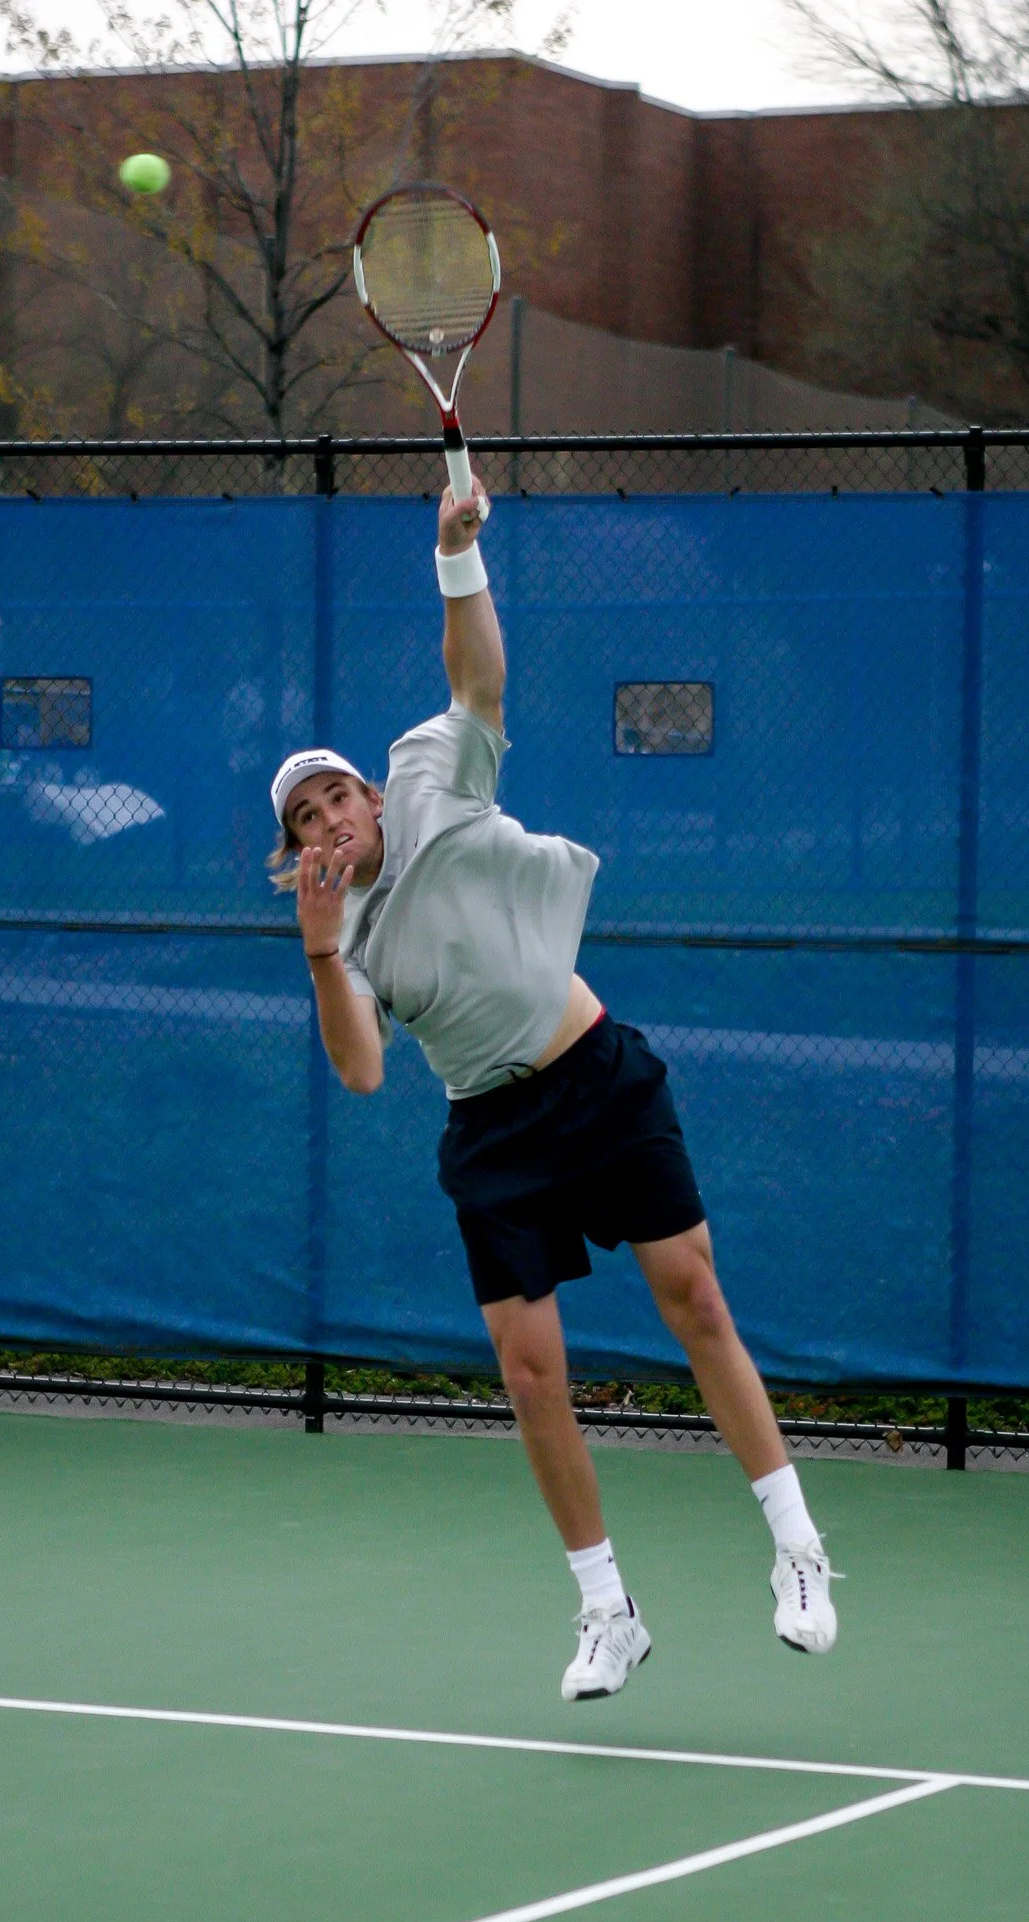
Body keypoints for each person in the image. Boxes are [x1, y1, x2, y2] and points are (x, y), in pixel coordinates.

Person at [267, 478, 839, 1702]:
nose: (327, 817)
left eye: (332, 794)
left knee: (693, 1298)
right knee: (531, 1372)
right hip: (492, 1129)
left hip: (595, 1074)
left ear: (369, 795)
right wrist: (319, 947)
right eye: (303, 817)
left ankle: (796, 1546)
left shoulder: (430, 771)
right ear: (301, 848)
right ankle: (604, 1607)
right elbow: (364, 1071)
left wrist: (454, 556)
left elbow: (476, 678)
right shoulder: (343, 930)